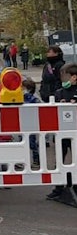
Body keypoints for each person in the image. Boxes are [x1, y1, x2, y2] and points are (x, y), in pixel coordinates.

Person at [48, 64, 77, 204]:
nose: (62, 79)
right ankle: (58, 188)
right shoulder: (59, 92)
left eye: (64, 76)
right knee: (60, 158)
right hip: (61, 134)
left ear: (74, 77)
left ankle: (75, 186)